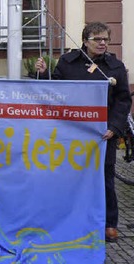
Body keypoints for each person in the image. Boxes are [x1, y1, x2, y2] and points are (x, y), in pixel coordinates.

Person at [35, 22, 132, 243]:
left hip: (103, 133)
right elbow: (55, 91)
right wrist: (44, 73)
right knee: (70, 176)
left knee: (104, 178)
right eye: (97, 39)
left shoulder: (115, 66)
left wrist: (114, 127)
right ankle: (70, 220)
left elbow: (123, 100)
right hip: (73, 132)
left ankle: (109, 224)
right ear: (86, 41)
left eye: (106, 39)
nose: (103, 43)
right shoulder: (69, 63)